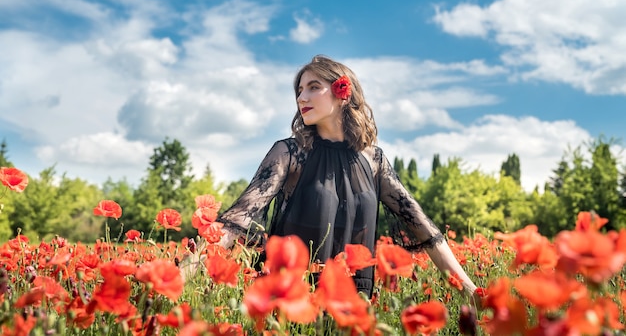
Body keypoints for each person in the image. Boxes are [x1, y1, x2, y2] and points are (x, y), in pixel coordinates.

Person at [185, 54, 477, 298]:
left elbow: (422, 227)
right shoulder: (288, 153)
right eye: (299, 90)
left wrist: (469, 289)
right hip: (292, 298)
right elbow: (237, 219)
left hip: (352, 299)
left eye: (313, 87)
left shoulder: (373, 160)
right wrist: (182, 274)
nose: (302, 97)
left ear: (342, 92)